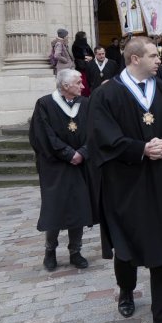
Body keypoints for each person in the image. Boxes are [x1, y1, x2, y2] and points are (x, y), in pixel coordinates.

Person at [91, 36, 162, 323]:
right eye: (152, 55)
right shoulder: (107, 94)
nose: (159, 59)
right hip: (127, 185)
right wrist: (140, 149)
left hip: (161, 181)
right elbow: (102, 136)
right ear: (134, 59)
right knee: (127, 246)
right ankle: (126, 289)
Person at [28, 69, 98, 271]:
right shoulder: (45, 104)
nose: (83, 86)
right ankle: (50, 250)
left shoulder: (85, 104)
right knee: (55, 209)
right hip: (55, 166)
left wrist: (83, 152)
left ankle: (75, 251)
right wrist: (68, 154)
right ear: (66, 86)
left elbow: (94, 131)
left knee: (79, 207)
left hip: (81, 164)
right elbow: (43, 136)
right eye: (78, 83)